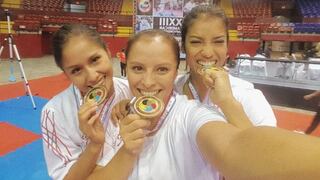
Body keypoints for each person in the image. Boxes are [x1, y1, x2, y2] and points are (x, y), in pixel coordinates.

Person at [93, 29, 320, 180]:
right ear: (125, 68)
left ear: (176, 71)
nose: (148, 81)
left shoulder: (193, 115)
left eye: (162, 69)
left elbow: (236, 148)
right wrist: (127, 151)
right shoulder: (117, 117)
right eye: (138, 68)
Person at [40, 24, 132, 180]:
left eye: (95, 60)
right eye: (76, 70)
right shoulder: (54, 113)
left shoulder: (132, 90)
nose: (92, 76)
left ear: (108, 53)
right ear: (67, 75)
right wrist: (94, 145)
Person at [176, 5, 277, 128]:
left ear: (227, 46)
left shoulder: (248, 96)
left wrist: (227, 103)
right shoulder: (170, 89)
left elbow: (266, 147)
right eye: (196, 42)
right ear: (183, 47)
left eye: (218, 42)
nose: (208, 53)